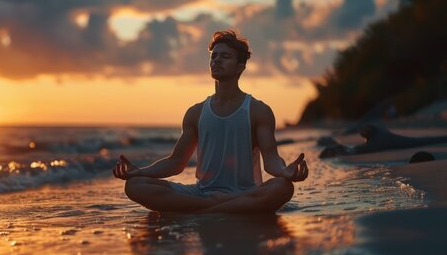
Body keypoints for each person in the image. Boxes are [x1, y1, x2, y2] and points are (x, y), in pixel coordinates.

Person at [112, 29, 308, 213]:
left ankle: (203, 210)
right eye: (214, 56)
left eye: (225, 56)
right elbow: (176, 162)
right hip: (202, 192)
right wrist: (139, 171)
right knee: (135, 185)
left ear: (241, 66)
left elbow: (271, 160)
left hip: (245, 192)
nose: (216, 60)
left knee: (283, 187)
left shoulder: (258, 110)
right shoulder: (196, 113)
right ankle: (223, 209)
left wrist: (285, 171)